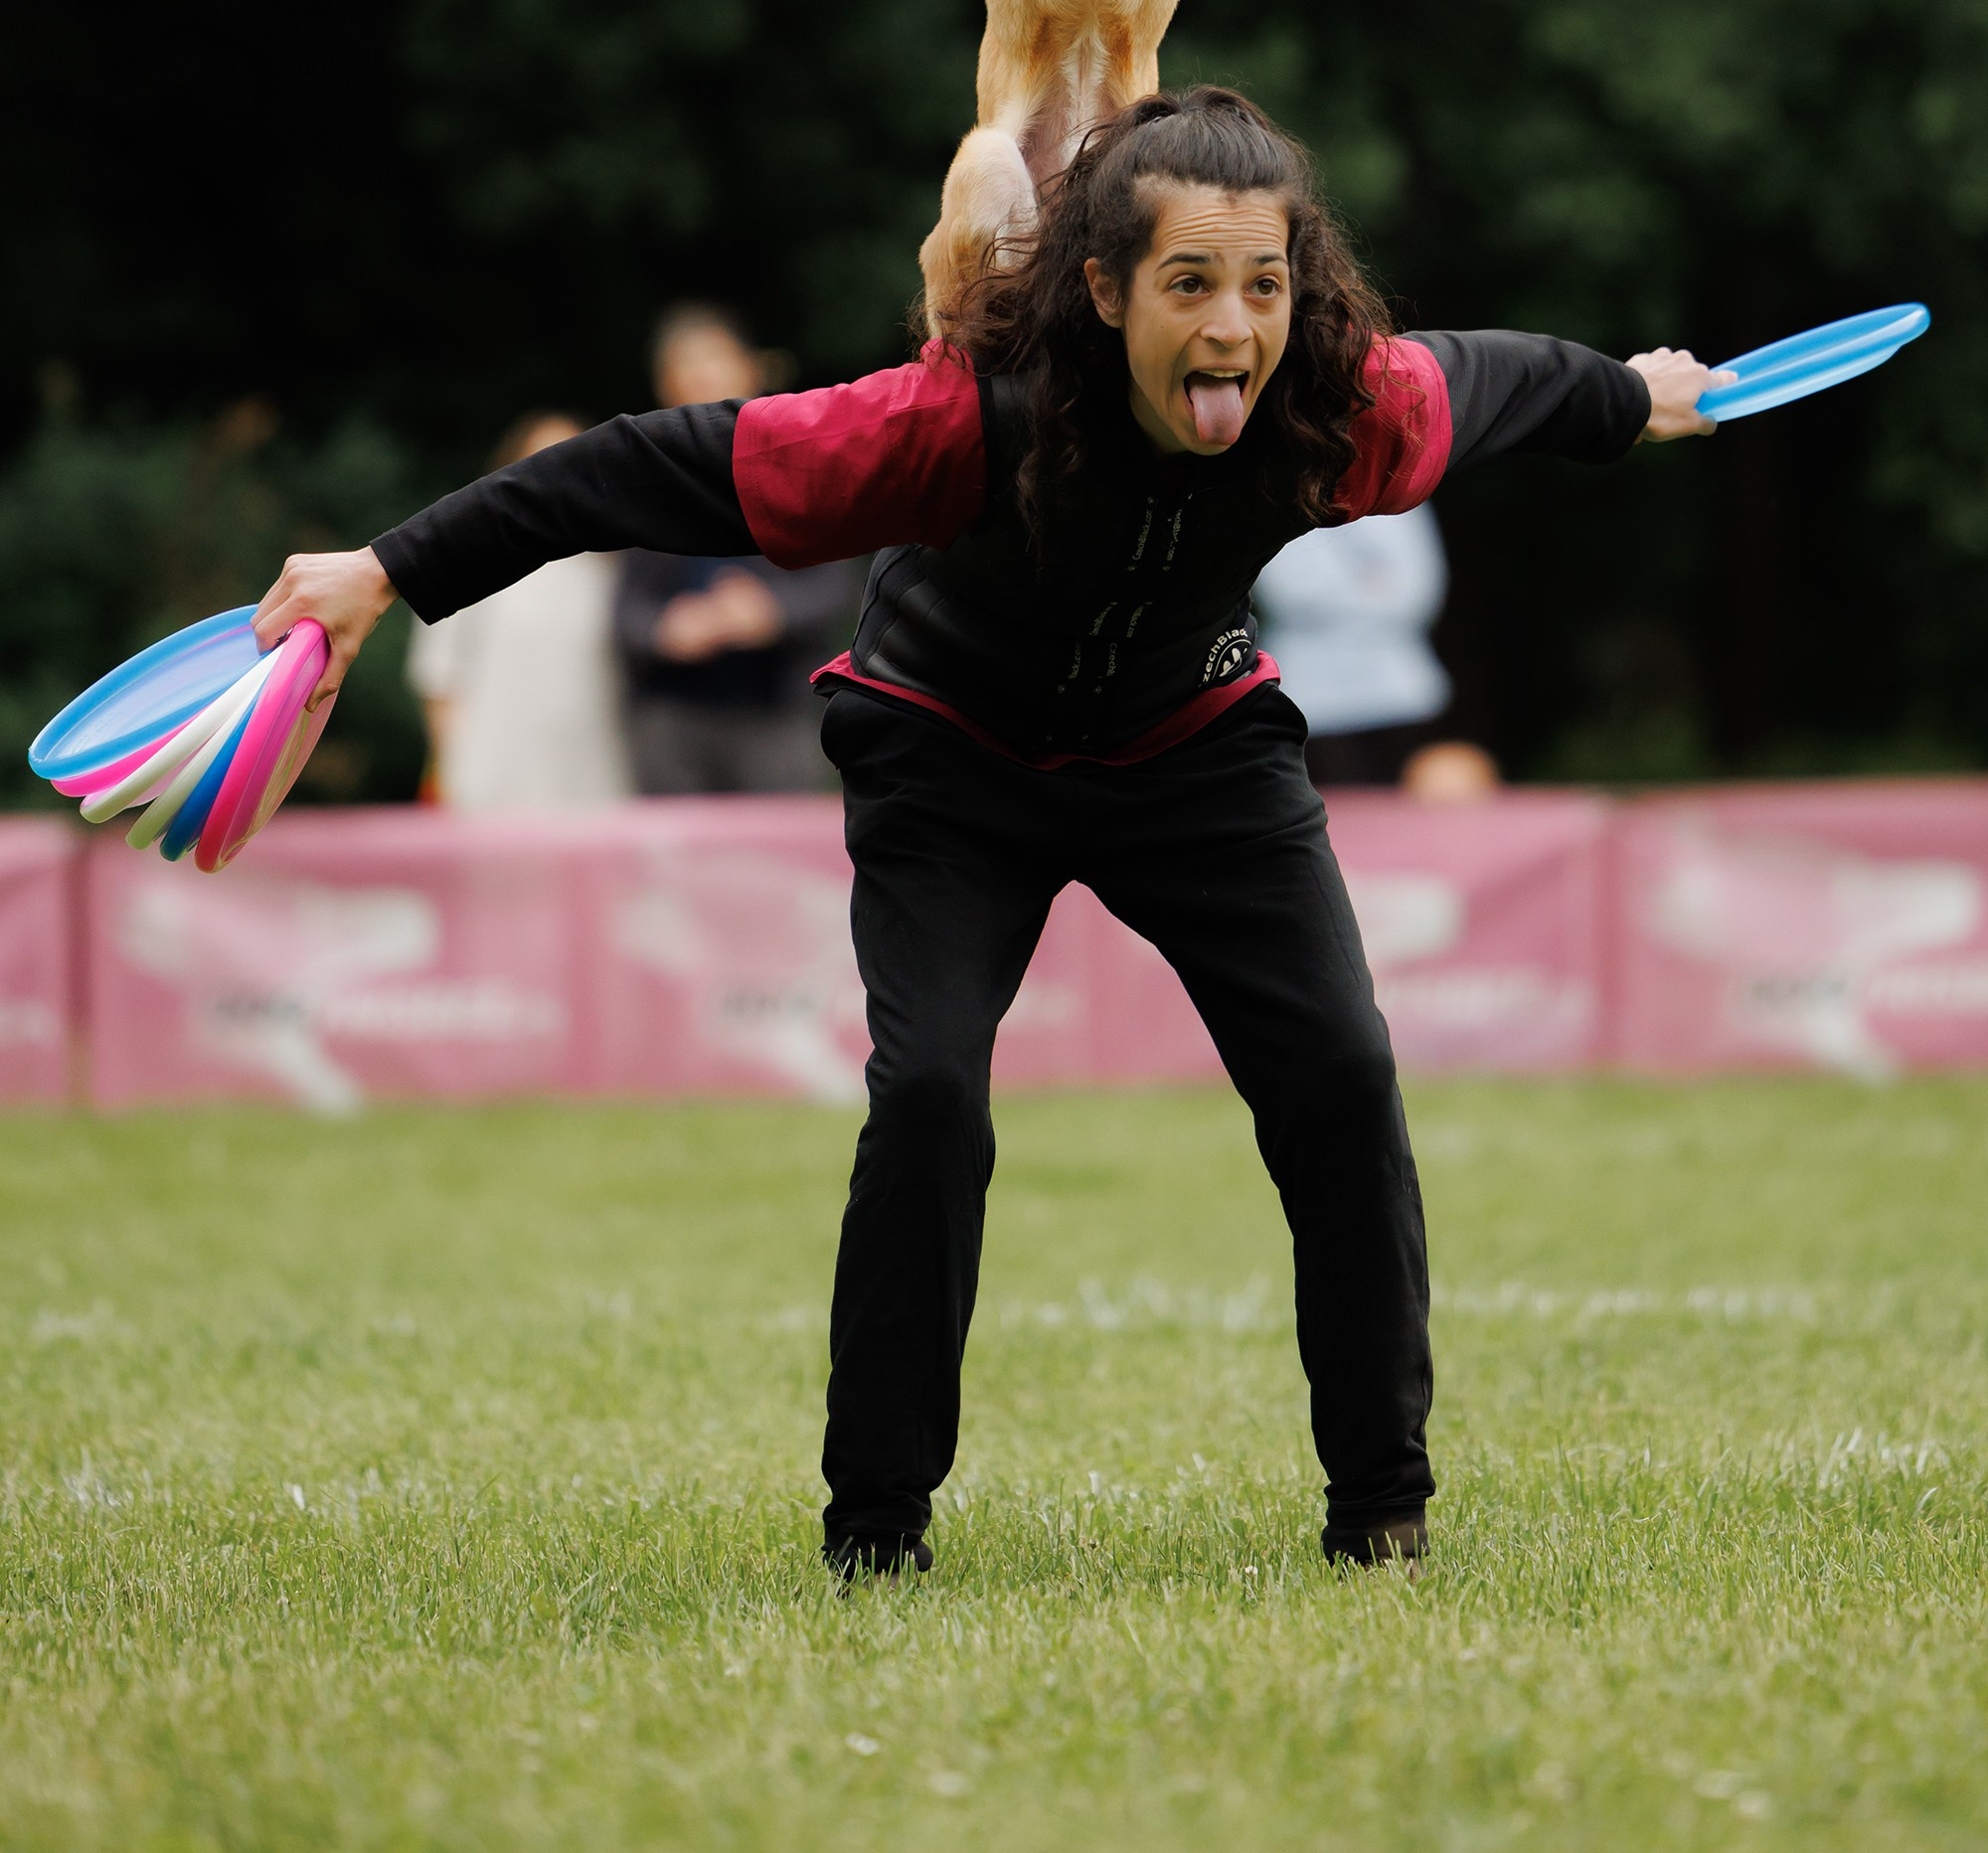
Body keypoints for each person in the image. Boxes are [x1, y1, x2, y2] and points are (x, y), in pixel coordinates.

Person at [254, 85, 1730, 1585]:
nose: (1233, 327)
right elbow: (644, 467)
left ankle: (1384, 1510)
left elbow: (1501, 380)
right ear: (1103, 288)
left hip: (1190, 749)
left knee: (1344, 1074)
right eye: (1189, 284)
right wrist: (390, 567)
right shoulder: (955, 419)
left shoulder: (1341, 415)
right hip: (950, 750)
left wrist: (1634, 396)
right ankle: (877, 1530)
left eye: (1265, 285)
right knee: (933, 1094)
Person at [617, 305, 851, 792]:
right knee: (673, 863)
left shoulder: (801, 462)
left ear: (749, 368)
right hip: (672, 718)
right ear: (665, 384)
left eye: (714, 358)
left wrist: (771, 612)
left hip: (777, 712)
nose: (701, 375)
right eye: (686, 364)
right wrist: (664, 629)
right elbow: (623, 612)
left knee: (780, 860)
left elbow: (838, 583)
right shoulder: (644, 479)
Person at [405, 415, 630, 810]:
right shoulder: (469, 559)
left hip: (595, 774)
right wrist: (451, 768)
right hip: (491, 775)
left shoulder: (613, 566)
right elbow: (439, 676)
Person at [1253, 505, 1454, 790]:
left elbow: (1419, 592)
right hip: (1315, 703)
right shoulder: (1285, 502)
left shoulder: (1401, 499)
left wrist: (1346, 598)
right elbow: (1293, 595)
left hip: (1401, 697)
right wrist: (1378, 591)